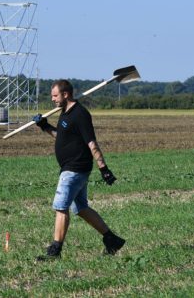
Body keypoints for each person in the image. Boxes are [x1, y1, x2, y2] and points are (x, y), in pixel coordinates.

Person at [32, 79, 125, 260]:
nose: (52, 99)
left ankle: (55, 251)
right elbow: (62, 138)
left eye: (55, 96)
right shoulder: (65, 113)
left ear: (66, 94)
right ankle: (111, 239)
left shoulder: (80, 114)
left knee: (61, 207)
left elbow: (92, 143)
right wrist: (44, 126)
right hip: (71, 168)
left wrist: (103, 168)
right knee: (81, 208)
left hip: (75, 169)